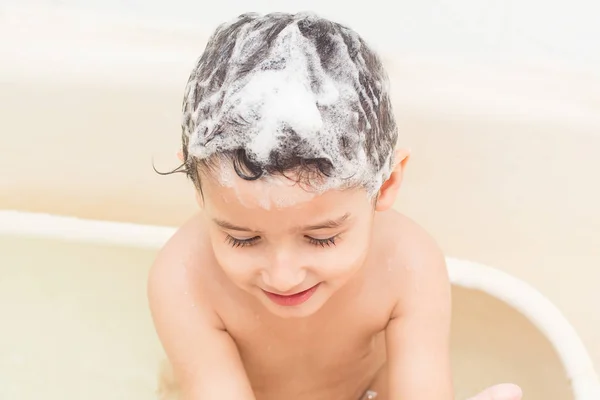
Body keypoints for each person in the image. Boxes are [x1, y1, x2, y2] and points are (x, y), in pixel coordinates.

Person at [148, 11, 523, 400]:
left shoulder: (408, 264)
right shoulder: (184, 279)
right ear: (198, 189)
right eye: (242, 239)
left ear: (388, 182)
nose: (283, 276)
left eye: (322, 238)